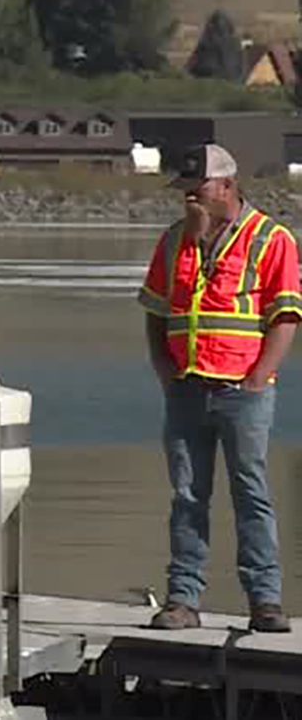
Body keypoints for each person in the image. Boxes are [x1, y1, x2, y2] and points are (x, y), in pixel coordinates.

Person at [138, 143, 300, 633]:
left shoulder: (271, 239)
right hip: (186, 388)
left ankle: (265, 601)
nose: (187, 197)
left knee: (251, 491)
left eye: (196, 189)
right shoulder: (172, 242)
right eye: (183, 190)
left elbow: (286, 317)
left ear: (226, 187)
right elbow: (155, 311)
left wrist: (258, 377)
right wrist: (164, 368)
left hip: (243, 392)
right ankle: (183, 599)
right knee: (188, 494)